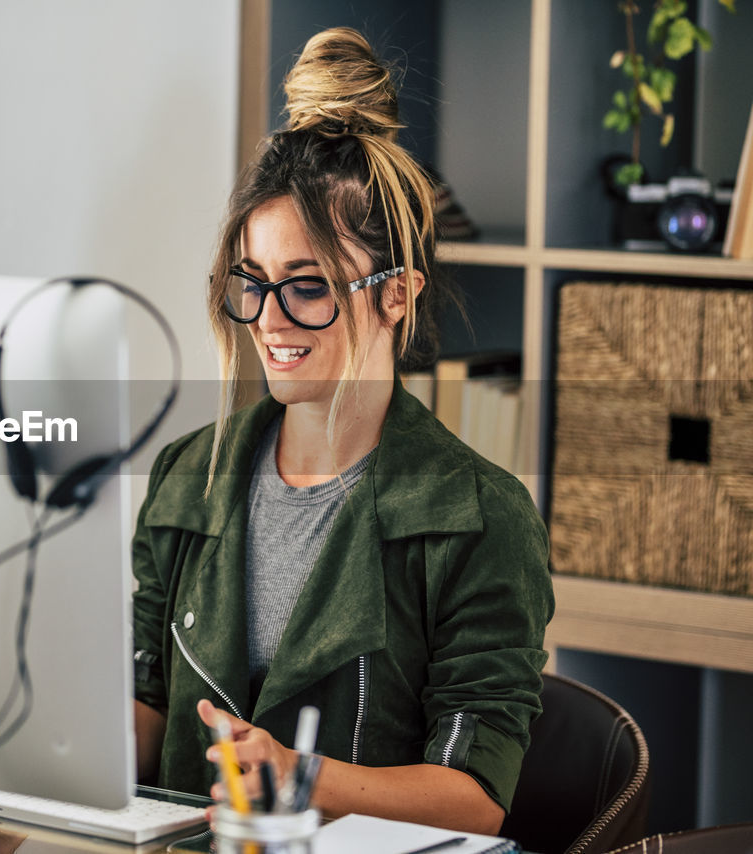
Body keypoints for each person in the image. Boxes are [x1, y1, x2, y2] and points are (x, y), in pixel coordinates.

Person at [130, 28, 553, 835]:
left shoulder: (483, 517)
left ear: (398, 294)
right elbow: (148, 714)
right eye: (251, 283)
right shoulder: (187, 474)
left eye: (308, 287)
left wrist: (305, 777)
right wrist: (24, 769)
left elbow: (477, 799)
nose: (269, 321)